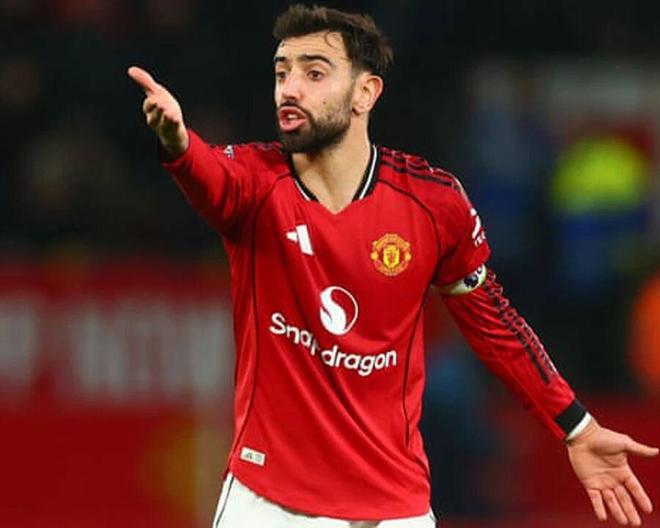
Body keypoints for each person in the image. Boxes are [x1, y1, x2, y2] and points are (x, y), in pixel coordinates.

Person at [128, 5, 658, 527]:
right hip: (267, 503)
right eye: (282, 73)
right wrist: (176, 140)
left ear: (366, 92)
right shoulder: (254, 184)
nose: (289, 89)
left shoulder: (432, 203)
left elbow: (495, 326)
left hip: (393, 508)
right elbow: (202, 172)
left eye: (314, 73)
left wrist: (576, 427)